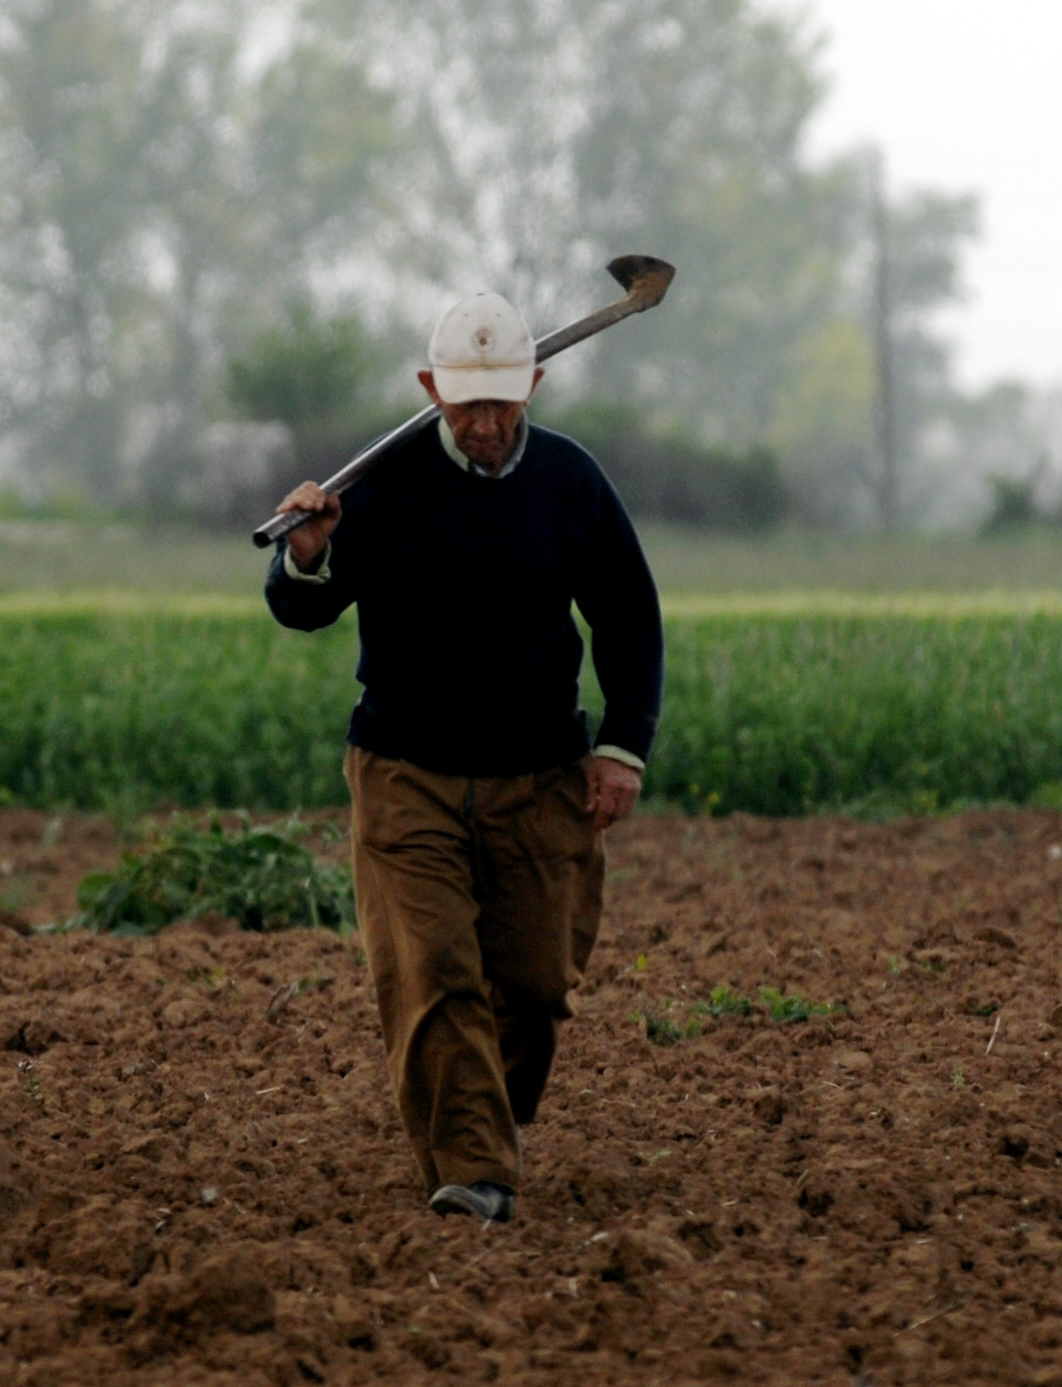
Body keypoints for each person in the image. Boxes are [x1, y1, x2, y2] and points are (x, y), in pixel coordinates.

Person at [264, 291, 664, 1225]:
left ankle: (481, 1128)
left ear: (532, 382)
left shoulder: (571, 484)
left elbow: (630, 618)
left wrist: (621, 748)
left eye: (502, 402)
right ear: (429, 388)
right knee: (434, 972)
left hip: (540, 776)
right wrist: (309, 554)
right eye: (465, 404)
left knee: (531, 985)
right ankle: (477, 1168)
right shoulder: (380, 486)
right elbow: (303, 608)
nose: (485, 425)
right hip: (407, 774)